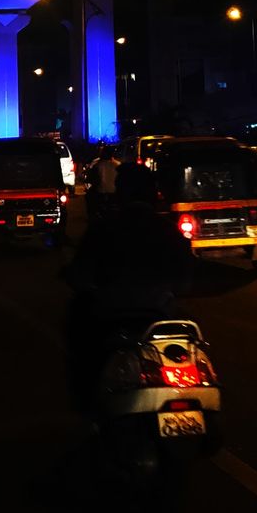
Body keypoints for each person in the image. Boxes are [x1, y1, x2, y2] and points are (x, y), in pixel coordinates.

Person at [61, 160, 193, 411]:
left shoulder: (104, 227)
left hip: (113, 316)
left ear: (122, 192)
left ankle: (87, 404)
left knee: (78, 329)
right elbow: (185, 280)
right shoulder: (167, 231)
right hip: (160, 316)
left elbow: (80, 274)